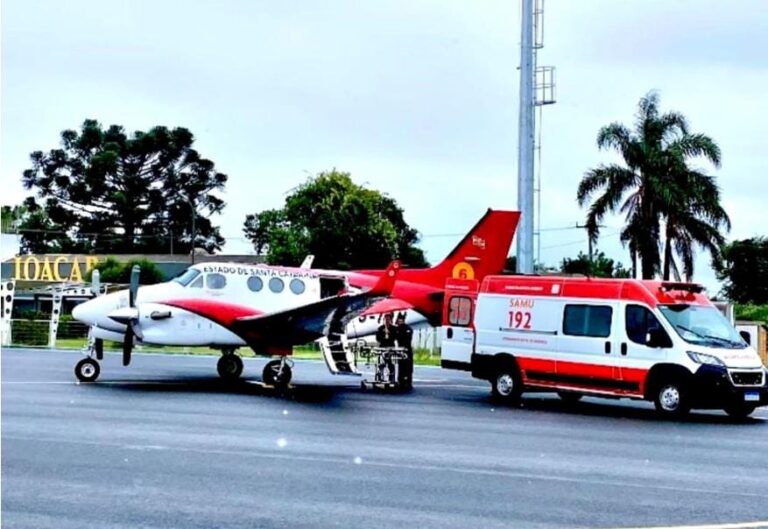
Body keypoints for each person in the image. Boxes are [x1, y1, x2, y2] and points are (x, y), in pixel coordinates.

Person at [395, 313, 414, 390]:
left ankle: (408, 382)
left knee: (408, 367)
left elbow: (407, 338)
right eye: (399, 321)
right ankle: (401, 382)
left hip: (407, 349)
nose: (399, 322)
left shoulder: (407, 329)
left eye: (401, 320)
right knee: (401, 366)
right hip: (400, 349)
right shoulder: (397, 329)